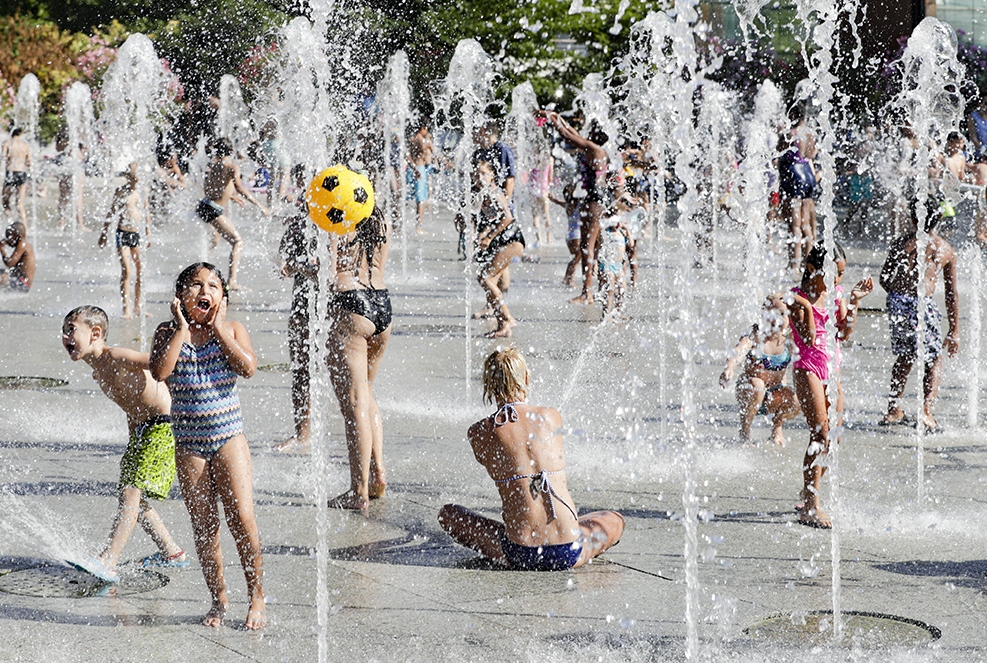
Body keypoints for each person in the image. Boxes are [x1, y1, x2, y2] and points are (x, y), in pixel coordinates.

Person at [149, 263, 265, 629]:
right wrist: (182, 329)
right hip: (189, 445)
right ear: (179, 296)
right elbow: (160, 373)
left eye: (213, 286)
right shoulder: (167, 332)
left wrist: (218, 328)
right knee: (204, 526)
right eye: (196, 285)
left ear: (223, 298)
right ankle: (219, 598)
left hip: (229, 437)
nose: (205, 291)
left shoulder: (232, 329)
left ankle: (256, 595)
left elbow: (248, 368)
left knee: (242, 518)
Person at [438, 348, 624, 570]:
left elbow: (493, 462)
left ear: (488, 385)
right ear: (526, 378)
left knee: (448, 514)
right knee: (614, 519)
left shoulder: (479, 432)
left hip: (519, 552)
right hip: (568, 550)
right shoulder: (551, 416)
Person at [61, 306, 188, 582]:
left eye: (71, 329)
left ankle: (109, 559)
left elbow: (161, 365)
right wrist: (134, 437)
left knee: (132, 493)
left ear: (95, 333)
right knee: (130, 497)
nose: (65, 336)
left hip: (163, 425)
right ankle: (171, 552)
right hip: (143, 431)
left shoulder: (117, 356)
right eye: (64, 331)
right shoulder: (98, 373)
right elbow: (130, 404)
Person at [788, 242, 873, 529]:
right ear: (813, 268)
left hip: (831, 369)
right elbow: (809, 338)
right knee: (820, 434)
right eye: (832, 273)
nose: (837, 280)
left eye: (841, 274)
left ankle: (808, 491)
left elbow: (844, 333)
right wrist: (807, 306)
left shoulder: (836, 293)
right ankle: (811, 506)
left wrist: (854, 300)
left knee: (833, 437)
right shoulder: (797, 298)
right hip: (807, 368)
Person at [325, 205, 391, 510]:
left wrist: (296, 267)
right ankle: (378, 474)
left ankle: (358, 491)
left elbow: (330, 272)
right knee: (367, 394)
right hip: (382, 302)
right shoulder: (378, 217)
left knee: (354, 405)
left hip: (349, 305)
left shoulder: (335, 215)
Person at [879, 203, 959, 432]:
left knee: (905, 355)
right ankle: (925, 412)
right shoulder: (945, 249)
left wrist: (898, 298)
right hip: (922, 303)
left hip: (898, 302)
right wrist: (954, 330)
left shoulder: (901, 243)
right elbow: (951, 294)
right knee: (934, 359)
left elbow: (884, 278)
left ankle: (893, 409)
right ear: (939, 218)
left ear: (914, 218)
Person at [542, 111, 613, 304]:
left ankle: (586, 293)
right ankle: (601, 288)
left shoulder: (594, 148)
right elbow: (572, 133)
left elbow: (566, 135)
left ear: (596, 133)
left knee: (587, 247)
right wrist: (555, 116)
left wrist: (549, 118)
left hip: (594, 202)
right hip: (596, 202)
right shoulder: (597, 148)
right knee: (596, 247)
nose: (587, 132)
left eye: (591, 130)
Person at [274, 169, 318, 453]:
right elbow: (282, 257)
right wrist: (287, 264)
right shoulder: (299, 222)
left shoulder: (341, 222)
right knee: (301, 369)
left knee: (343, 375)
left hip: (339, 308)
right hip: (302, 305)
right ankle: (303, 433)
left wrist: (301, 266)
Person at [719, 294, 800, 446]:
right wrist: (729, 367)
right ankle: (745, 429)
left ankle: (777, 427)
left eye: (782, 314)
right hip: (750, 391)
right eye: (773, 314)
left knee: (797, 400)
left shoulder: (790, 339)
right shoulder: (755, 334)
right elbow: (739, 351)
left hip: (774, 395)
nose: (777, 320)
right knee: (758, 385)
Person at [196, 137, 269, 291]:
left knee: (213, 242)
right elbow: (240, 187)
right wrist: (259, 205)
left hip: (205, 205)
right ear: (232, 151)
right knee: (237, 241)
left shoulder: (214, 166)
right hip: (213, 209)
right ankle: (232, 282)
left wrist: (230, 196)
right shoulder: (232, 167)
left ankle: (201, 274)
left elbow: (209, 188)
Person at [473, 161, 524, 337]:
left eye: (483, 174)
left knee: (485, 278)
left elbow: (507, 217)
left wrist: (489, 237)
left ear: (492, 175)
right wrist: (484, 233)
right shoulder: (485, 193)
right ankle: (503, 325)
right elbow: (495, 219)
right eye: (477, 174)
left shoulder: (494, 192)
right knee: (490, 283)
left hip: (511, 240)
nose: (479, 178)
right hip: (505, 241)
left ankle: (507, 319)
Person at [99, 163, 149, 319]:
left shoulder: (142, 192)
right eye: (133, 179)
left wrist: (148, 233)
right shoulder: (121, 191)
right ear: (128, 177)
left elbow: (146, 213)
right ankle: (126, 308)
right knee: (127, 271)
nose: (136, 182)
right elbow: (111, 212)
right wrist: (103, 234)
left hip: (136, 234)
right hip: (122, 233)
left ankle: (138, 306)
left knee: (141, 271)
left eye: (138, 179)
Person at [779, 107, 819, 271]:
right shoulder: (810, 133)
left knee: (794, 226)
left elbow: (778, 152)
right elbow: (812, 154)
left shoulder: (791, 133)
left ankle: (793, 264)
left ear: (793, 115)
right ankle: (807, 265)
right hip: (808, 174)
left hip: (794, 176)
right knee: (806, 224)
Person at [55, 125, 89, 232]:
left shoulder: (61, 139)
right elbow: (81, 154)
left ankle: (61, 223)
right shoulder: (77, 139)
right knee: (78, 198)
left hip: (64, 168)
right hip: (75, 169)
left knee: (63, 197)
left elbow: (58, 149)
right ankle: (80, 224)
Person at [407, 124, 434, 233]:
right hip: (420, 169)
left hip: (411, 169)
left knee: (404, 197)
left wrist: (413, 167)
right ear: (423, 128)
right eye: (426, 129)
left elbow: (407, 155)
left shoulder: (412, 139)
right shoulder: (423, 141)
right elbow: (434, 152)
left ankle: (398, 224)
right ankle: (418, 226)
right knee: (420, 200)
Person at [2, 127, 31, 224]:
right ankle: (25, 229)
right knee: (20, 205)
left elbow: (3, 157)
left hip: (11, 173)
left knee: (5, 202)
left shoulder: (7, 143)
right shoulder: (25, 145)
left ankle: (11, 222)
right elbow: (29, 162)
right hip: (22, 173)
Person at [0, 221, 35, 291]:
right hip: (20, 280)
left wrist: (2, 249)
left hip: (23, 284)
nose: (7, 241)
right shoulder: (24, 244)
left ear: (19, 237)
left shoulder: (22, 245)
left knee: (2, 277)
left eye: (10, 238)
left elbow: (10, 263)